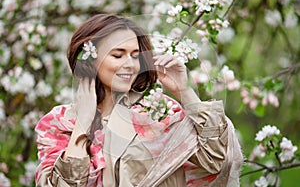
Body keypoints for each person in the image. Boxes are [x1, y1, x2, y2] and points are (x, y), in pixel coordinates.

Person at [35, 14, 243, 187]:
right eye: (118, 55)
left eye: (135, 55)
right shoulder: (59, 122)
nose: (130, 65)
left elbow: (219, 161)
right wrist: (83, 122)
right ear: (89, 60)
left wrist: (184, 91)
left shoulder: (160, 112)